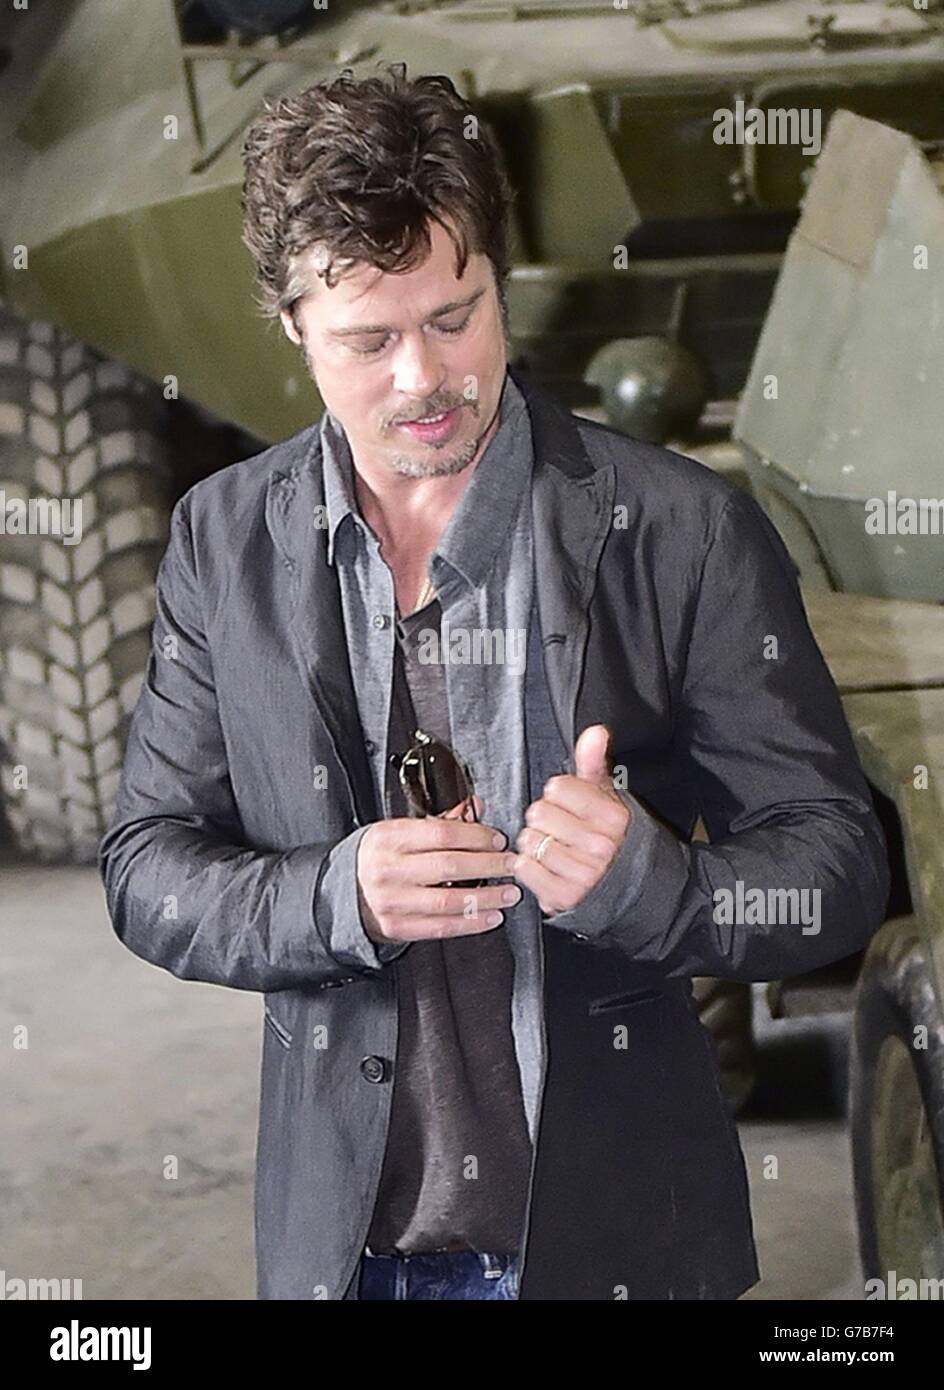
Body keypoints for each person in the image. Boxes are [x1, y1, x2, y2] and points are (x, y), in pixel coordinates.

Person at [98, 63, 890, 1301]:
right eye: (368, 340)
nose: (424, 378)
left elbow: (834, 867)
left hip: (621, 1252)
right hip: (345, 1258)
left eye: (455, 314)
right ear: (289, 320)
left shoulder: (677, 529)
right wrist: (331, 897)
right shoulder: (221, 542)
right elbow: (149, 870)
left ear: (497, 281)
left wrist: (658, 886)